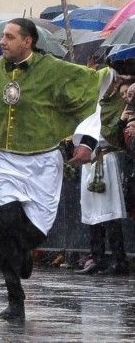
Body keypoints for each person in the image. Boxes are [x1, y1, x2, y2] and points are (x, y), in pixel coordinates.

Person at [0, 18, 100, 323]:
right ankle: (15, 299)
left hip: (42, 163)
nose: (2, 41)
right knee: (6, 219)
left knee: (28, 234)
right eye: (2, 37)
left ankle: (22, 253)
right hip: (2, 160)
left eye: (9, 37)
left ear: (28, 41)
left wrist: (87, 141)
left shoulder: (56, 70)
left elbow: (92, 90)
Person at [76, 71, 130, 276]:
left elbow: (113, 132)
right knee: (91, 212)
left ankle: (119, 259)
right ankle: (96, 257)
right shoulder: (94, 104)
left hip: (105, 160)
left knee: (109, 213)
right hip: (90, 161)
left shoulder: (118, 104)